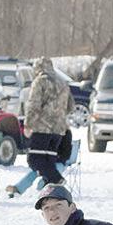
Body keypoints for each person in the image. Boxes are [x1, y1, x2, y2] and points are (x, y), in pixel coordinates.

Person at [23, 57, 74, 187]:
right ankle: (51, 188)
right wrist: (59, 115)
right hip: (59, 130)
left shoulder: (40, 81)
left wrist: (28, 125)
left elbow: (33, 105)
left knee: (34, 160)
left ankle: (57, 180)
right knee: (49, 161)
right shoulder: (63, 83)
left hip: (42, 128)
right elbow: (71, 107)